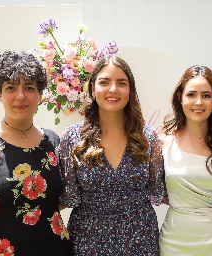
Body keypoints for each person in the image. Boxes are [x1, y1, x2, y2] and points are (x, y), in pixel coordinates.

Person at [0, 51, 72, 255]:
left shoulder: (52, 141)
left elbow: (56, 203)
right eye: (10, 88)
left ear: (40, 94)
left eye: (29, 88)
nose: (20, 96)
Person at [59, 55, 165, 255]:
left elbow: (160, 191)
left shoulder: (147, 137)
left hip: (140, 239)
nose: (113, 89)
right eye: (104, 82)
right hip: (88, 239)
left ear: (130, 90)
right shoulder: (73, 137)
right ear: (92, 89)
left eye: (121, 83)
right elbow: (68, 197)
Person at [159, 65, 212, 255]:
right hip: (174, 243)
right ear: (180, 97)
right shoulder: (165, 140)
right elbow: (157, 191)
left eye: (206, 95)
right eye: (192, 94)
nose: (199, 102)